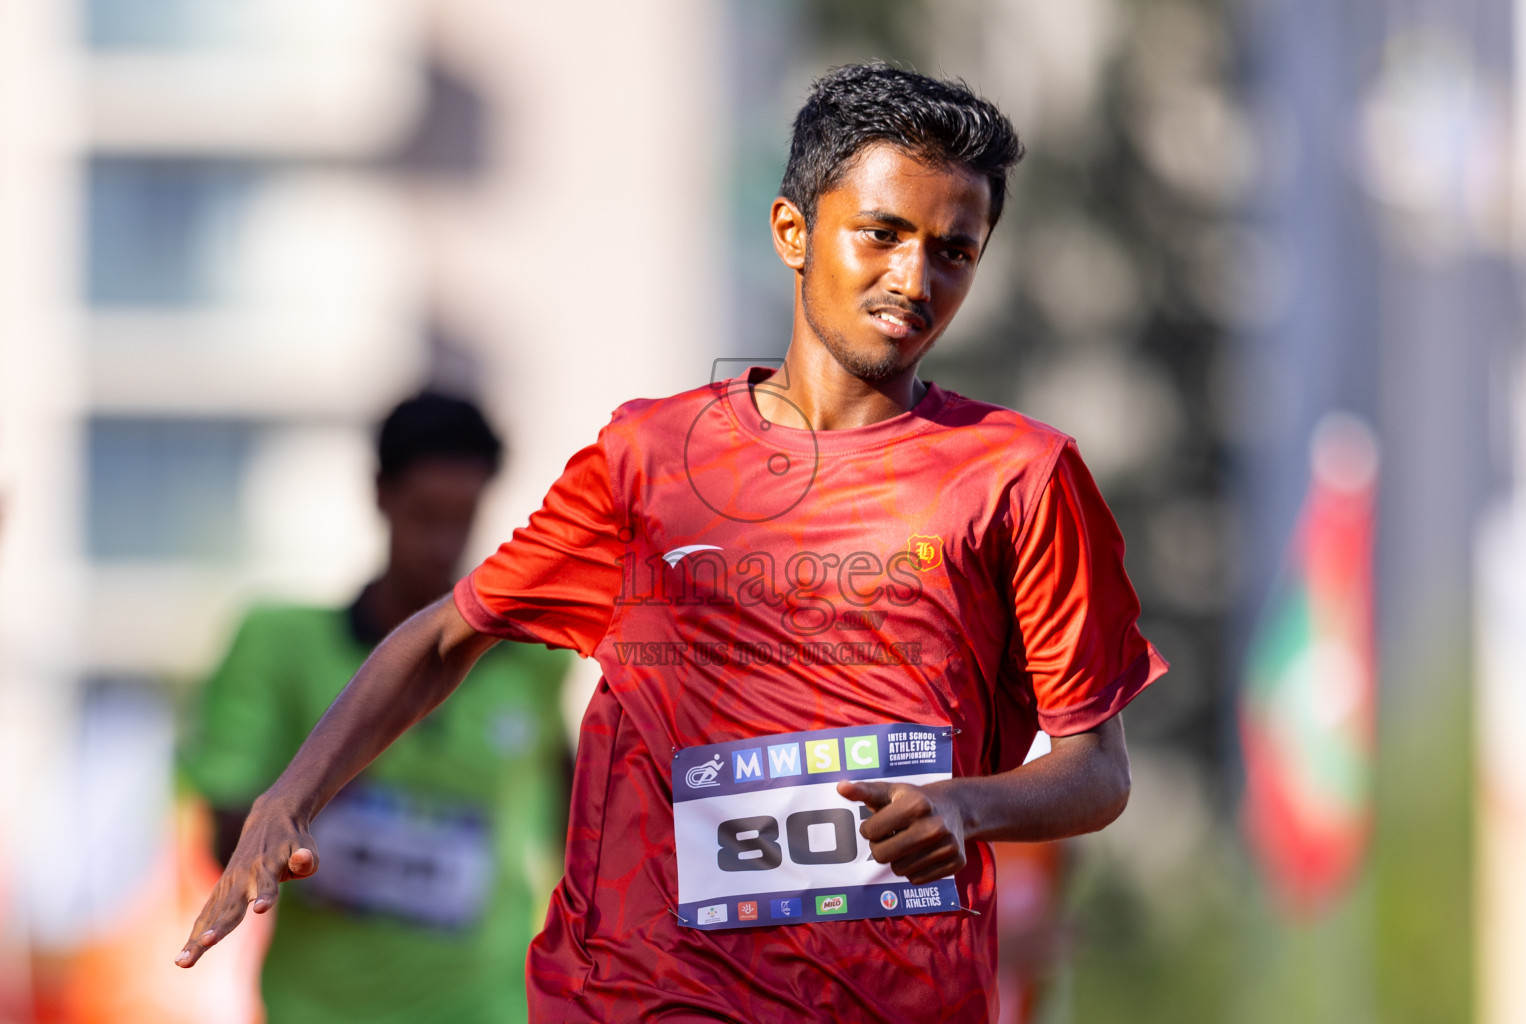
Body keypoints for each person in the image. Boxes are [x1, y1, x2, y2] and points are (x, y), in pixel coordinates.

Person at [177, 63, 1167, 1022]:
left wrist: (966, 806)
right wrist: (287, 801)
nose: (916, 276)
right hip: (646, 993)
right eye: (883, 234)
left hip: (900, 996)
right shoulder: (649, 458)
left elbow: (1099, 768)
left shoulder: (1019, 475)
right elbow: (448, 637)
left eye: (955, 250)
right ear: (793, 229)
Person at [179, 393, 571, 1024]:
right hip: (320, 1011)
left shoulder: (535, 663)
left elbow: (581, 828)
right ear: (380, 494)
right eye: (425, 516)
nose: (443, 546)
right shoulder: (279, 646)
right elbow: (227, 839)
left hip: (488, 1010)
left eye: (462, 520)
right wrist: (315, 795)